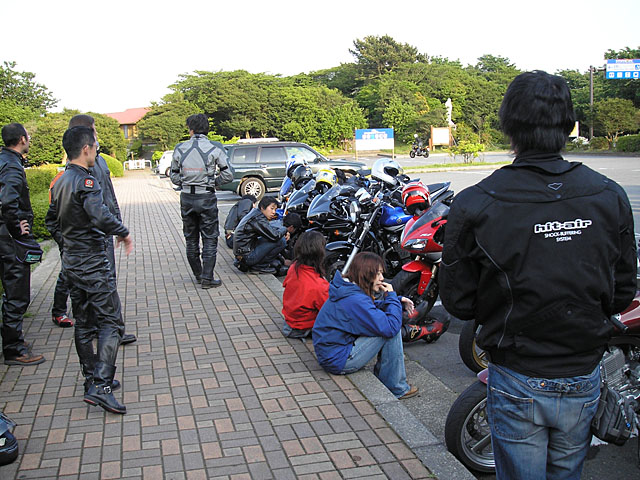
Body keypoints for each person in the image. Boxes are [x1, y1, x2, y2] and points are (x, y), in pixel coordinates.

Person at [440, 71, 637, 480]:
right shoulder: (609, 195)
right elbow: (623, 292)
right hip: (583, 369)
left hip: (517, 371)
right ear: (569, 125)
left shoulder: (476, 202)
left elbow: (458, 301)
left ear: (508, 125)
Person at [46, 126, 134, 414]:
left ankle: (91, 380)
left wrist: (67, 244)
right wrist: (122, 231)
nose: (97, 151)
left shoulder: (60, 181)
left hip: (72, 262)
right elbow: (99, 215)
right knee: (111, 321)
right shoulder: (86, 181)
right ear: (86, 148)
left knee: (84, 323)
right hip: (92, 263)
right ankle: (101, 385)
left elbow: (51, 222)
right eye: (95, 147)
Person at [48, 115, 136, 344]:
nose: (97, 137)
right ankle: (109, 330)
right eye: (94, 131)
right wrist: (67, 241)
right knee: (99, 286)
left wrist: (117, 223)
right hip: (90, 239)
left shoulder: (100, 161)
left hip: (101, 233)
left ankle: (108, 329)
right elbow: (86, 211)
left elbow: (109, 196)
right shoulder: (79, 169)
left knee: (103, 282)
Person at [312, 252, 418, 399]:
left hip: (331, 352)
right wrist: (391, 297)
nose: (382, 278)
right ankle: (397, 387)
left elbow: (369, 308)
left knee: (387, 324)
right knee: (391, 330)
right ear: (366, 274)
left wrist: (396, 300)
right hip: (338, 360)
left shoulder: (348, 289)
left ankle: (391, 381)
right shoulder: (355, 299)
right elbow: (390, 327)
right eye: (378, 273)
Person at [171, 113, 233, 288]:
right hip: (206, 196)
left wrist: (185, 182)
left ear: (190, 129)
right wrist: (213, 182)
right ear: (207, 129)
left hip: (186, 197)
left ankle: (198, 275)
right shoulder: (215, 148)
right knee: (210, 238)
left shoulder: (180, 148)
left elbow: (174, 176)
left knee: (191, 239)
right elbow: (228, 174)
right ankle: (207, 278)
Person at [0, 123, 45, 366]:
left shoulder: (4, 160)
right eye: (27, 136)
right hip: (9, 239)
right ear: (21, 139)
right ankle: (14, 349)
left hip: (4, 235)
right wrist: (18, 228)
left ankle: (13, 341)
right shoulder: (12, 166)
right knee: (17, 292)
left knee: (12, 290)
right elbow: (8, 202)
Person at [281, 231, 329, 338]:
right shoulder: (318, 285)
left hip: (290, 321)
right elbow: (329, 310)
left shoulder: (294, 267)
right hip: (300, 328)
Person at [233, 196, 289, 274]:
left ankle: (259, 264)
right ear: (262, 208)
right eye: (272, 209)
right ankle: (260, 266)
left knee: (272, 237)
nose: (274, 212)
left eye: (275, 209)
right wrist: (285, 229)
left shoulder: (256, 213)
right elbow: (275, 236)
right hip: (246, 257)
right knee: (281, 241)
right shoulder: (258, 218)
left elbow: (269, 230)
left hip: (243, 254)